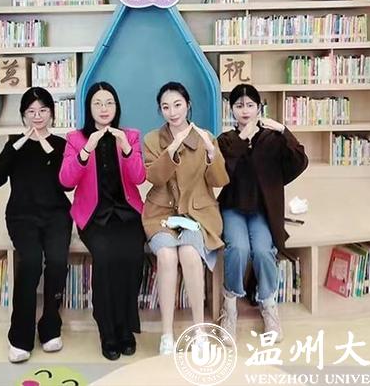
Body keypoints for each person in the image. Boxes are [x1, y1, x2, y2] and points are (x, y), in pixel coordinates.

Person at [59, 81, 147, 361]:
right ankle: (107, 330)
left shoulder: (130, 136)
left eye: (109, 102)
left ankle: (126, 327)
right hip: (94, 216)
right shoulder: (75, 139)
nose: (104, 108)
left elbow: (139, 178)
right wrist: (86, 151)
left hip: (126, 213)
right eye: (97, 103)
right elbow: (66, 181)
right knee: (106, 257)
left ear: (117, 107)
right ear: (89, 108)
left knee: (133, 255)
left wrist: (127, 149)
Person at [142, 81, 229, 355]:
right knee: (167, 256)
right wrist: (171, 151)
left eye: (178, 105)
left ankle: (199, 331)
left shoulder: (205, 137)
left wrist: (212, 153)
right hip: (161, 214)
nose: (173, 112)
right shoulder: (152, 140)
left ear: (188, 105)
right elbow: (154, 177)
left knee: (190, 253)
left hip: (197, 213)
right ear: (160, 110)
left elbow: (219, 180)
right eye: (166, 107)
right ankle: (166, 334)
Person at [0, 87, 73, 363]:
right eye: (31, 111)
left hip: (57, 216)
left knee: (57, 262)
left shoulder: (61, 145)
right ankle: (20, 337)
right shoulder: (14, 144)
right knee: (31, 262)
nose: (37, 116)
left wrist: (48, 148)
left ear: (52, 114)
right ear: (23, 115)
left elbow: (66, 185)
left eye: (43, 110)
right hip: (22, 217)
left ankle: (50, 328)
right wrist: (16, 146)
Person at [217, 83, 308, 345]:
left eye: (250, 105)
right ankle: (229, 306)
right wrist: (242, 141)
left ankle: (268, 305)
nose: (244, 110)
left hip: (262, 210)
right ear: (231, 110)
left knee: (263, 251)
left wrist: (283, 130)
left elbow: (299, 162)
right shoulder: (226, 140)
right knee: (238, 249)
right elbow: (221, 174)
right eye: (239, 105)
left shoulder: (272, 138)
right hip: (233, 207)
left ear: (259, 108)